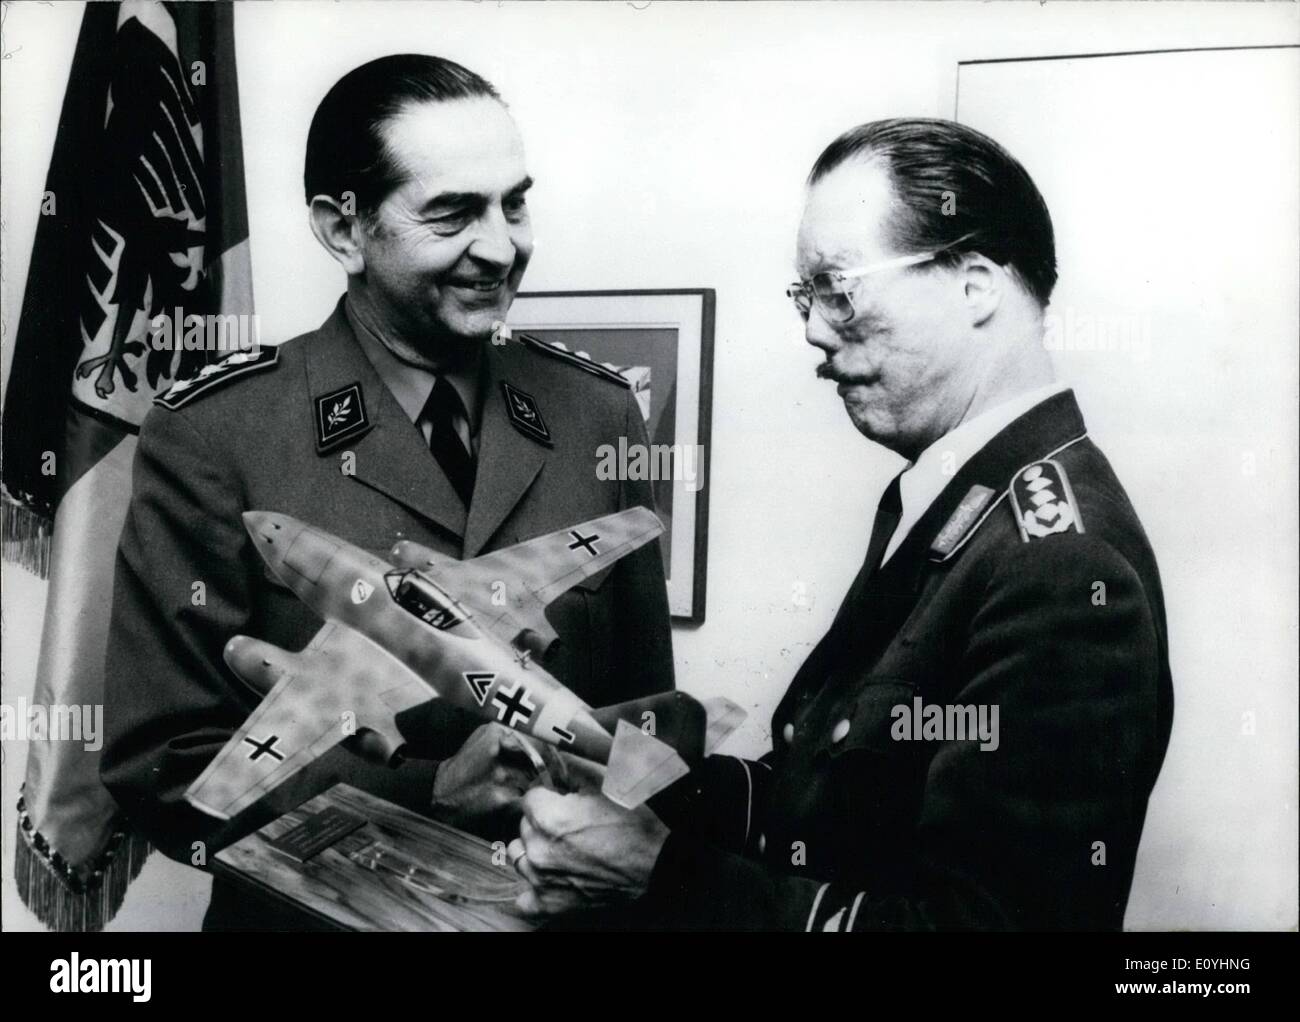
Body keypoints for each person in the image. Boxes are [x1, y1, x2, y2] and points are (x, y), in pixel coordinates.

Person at [510, 118, 1174, 931]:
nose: (815, 329)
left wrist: (662, 873)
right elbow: (818, 798)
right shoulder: (943, 500)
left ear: (975, 284)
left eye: (841, 287)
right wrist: (622, 771)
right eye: (807, 295)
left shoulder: (1063, 566)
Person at [100, 54, 674, 929]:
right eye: (451, 213)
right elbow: (162, 765)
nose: (500, 246)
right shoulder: (218, 433)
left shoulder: (595, 412)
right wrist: (428, 788)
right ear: (343, 230)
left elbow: (644, 718)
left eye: (513, 203)